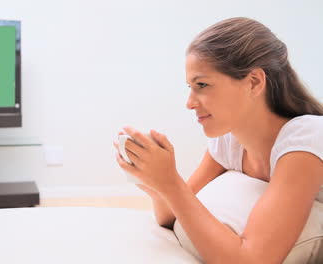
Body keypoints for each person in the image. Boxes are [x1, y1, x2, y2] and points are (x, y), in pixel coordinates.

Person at [114, 17, 323, 263]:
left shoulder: (305, 139)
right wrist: (156, 185)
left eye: (202, 85)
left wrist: (170, 184)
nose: (190, 103)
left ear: (254, 82)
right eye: (190, 87)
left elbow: (252, 260)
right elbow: (169, 216)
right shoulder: (229, 141)